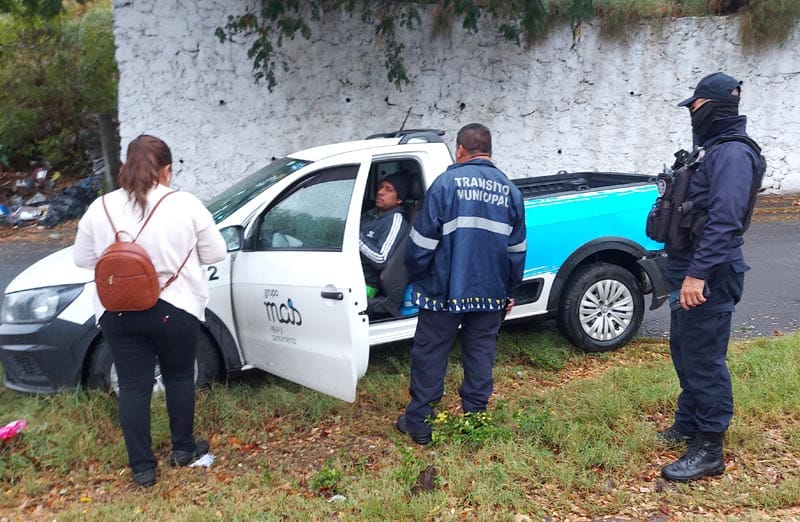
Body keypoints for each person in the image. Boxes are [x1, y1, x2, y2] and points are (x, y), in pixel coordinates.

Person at [73, 135, 227, 487]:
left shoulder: (100, 207)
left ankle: (142, 468)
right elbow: (216, 252)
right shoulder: (185, 204)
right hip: (175, 306)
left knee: (132, 386)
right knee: (178, 377)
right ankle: (183, 450)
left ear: (125, 167)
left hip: (118, 311)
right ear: (167, 170)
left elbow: (83, 259)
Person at [659, 72, 764, 482]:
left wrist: (697, 275)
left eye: (696, 107)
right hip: (688, 266)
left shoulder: (733, 154)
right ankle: (688, 423)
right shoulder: (712, 150)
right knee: (685, 350)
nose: (692, 114)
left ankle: (709, 448)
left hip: (709, 273)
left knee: (704, 358)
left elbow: (725, 221)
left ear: (715, 107)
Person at [395, 123, 527, 445]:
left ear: (460, 150)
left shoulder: (445, 185)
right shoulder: (511, 191)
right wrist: (509, 292)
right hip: (490, 293)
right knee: (480, 353)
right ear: (489, 151)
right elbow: (516, 250)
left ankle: (420, 423)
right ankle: (476, 420)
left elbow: (421, 244)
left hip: (442, 291)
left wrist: (417, 276)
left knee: (430, 353)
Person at [360, 173, 410, 298]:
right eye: (381, 187)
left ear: (399, 200)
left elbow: (381, 259)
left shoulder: (395, 220)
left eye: (389, 190)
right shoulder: (369, 214)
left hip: (365, 284)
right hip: (350, 272)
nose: (380, 192)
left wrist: (356, 238)